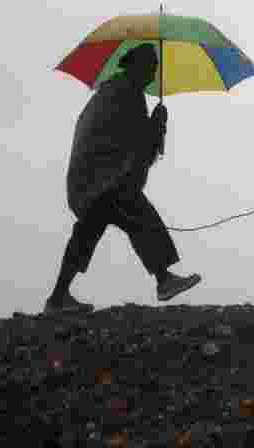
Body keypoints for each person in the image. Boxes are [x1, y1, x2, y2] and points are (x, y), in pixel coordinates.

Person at [45, 43, 201, 315]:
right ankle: (164, 280)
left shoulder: (113, 90)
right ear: (137, 67)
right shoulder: (125, 93)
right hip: (105, 181)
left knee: (86, 234)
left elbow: (129, 145)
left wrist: (153, 129)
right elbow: (138, 146)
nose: (153, 76)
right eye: (151, 69)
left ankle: (58, 298)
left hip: (90, 181)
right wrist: (157, 126)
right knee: (142, 218)